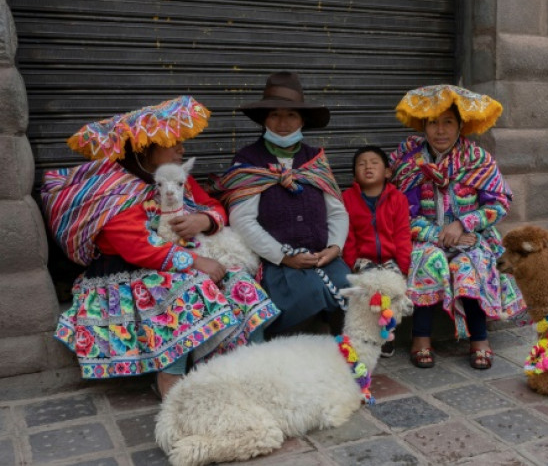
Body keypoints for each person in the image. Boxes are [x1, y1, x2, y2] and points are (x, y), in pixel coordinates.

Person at [41, 96, 279, 398]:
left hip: (179, 259)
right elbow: (138, 248)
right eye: (173, 142)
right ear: (144, 149)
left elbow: (213, 206)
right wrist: (195, 262)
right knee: (187, 290)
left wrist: (202, 221)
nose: (182, 148)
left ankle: (250, 366)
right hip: (130, 273)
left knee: (240, 283)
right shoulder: (115, 193)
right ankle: (171, 381)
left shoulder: (175, 179)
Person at [390, 85, 525, 370]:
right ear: (423, 126)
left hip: (471, 237)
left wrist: (464, 224)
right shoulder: (408, 162)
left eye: (448, 122)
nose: (440, 130)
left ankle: (479, 339)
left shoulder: (479, 160)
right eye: (433, 123)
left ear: (461, 125)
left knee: (471, 264)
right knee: (428, 260)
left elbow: (500, 202)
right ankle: (421, 339)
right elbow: (400, 210)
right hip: (424, 236)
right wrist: (435, 235)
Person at [211, 72, 350, 336]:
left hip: (323, 256)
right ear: (264, 119)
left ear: (302, 121)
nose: (282, 123)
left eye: (291, 115)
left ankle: (344, 359)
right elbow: (243, 220)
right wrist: (284, 256)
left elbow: (337, 212)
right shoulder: (249, 160)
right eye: (274, 114)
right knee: (305, 294)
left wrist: (334, 247)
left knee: (348, 287)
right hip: (276, 262)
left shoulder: (315, 160)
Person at [341, 145, 412, 357]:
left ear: (387, 172)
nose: (368, 167)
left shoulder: (398, 198)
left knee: (391, 291)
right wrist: (352, 263)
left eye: (374, 163)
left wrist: (403, 266)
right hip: (363, 260)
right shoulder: (347, 199)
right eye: (361, 164)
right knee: (369, 292)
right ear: (355, 174)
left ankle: (387, 334)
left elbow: (402, 235)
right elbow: (348, 236)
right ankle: (366, 334)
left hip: (391, 259)